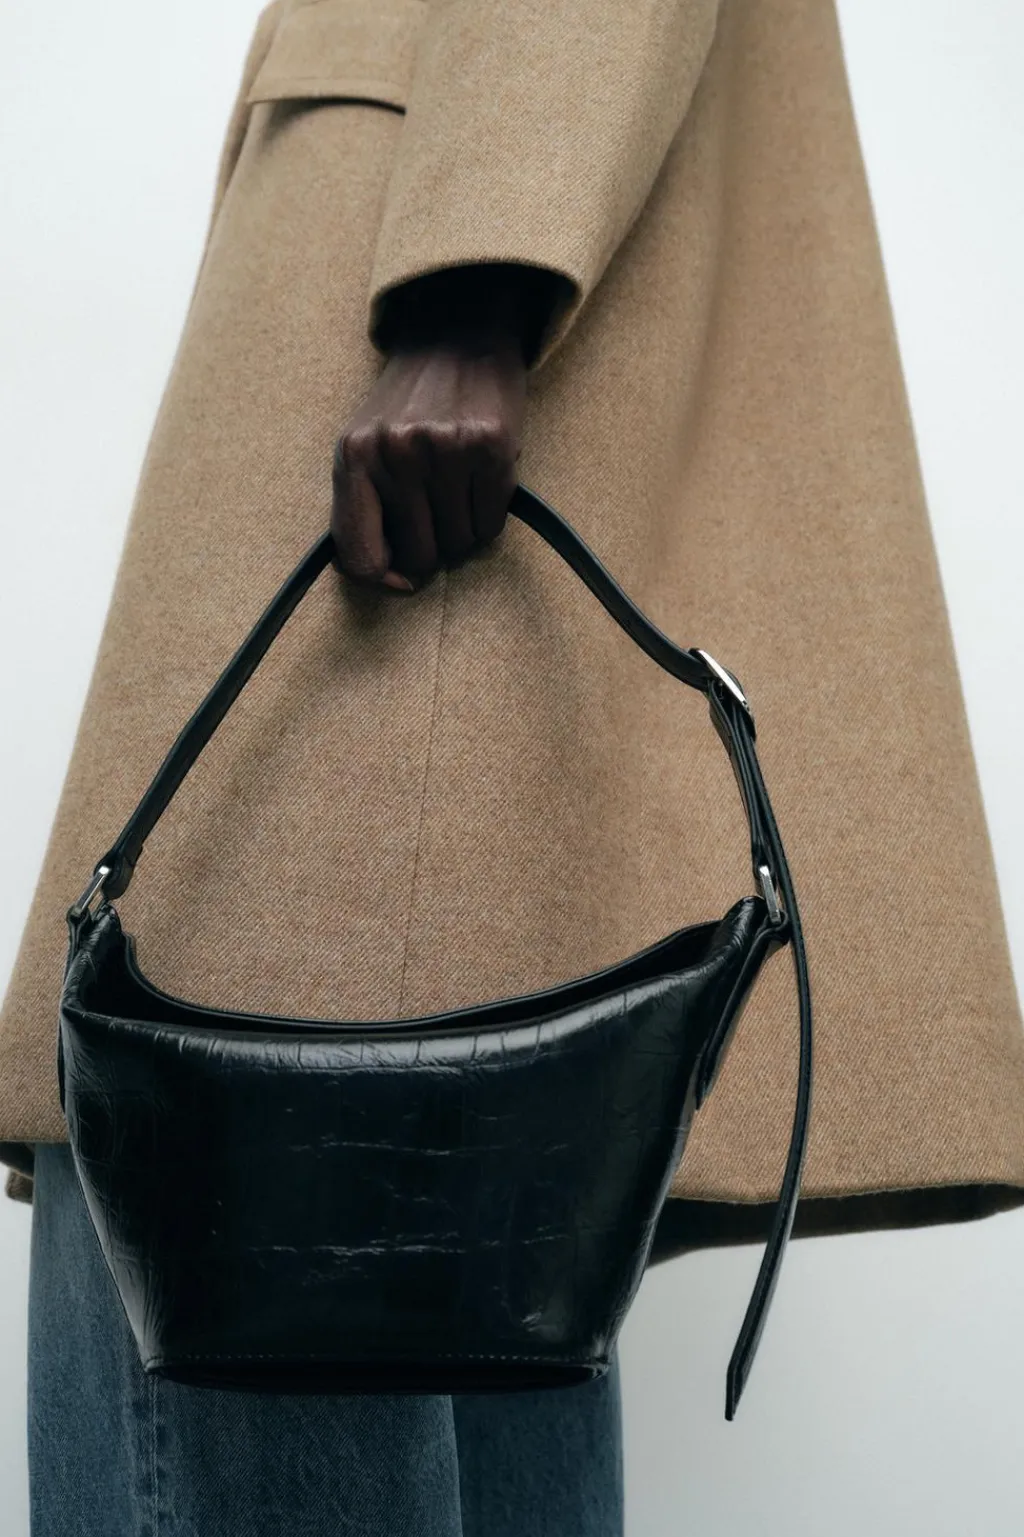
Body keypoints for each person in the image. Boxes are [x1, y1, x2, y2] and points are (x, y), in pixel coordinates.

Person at [3, 0, 1024, 1531]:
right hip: (455, 216)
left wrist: (474, 278)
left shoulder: (461, 269)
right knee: (470, 1194)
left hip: (412, 247)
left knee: (216, 1118)